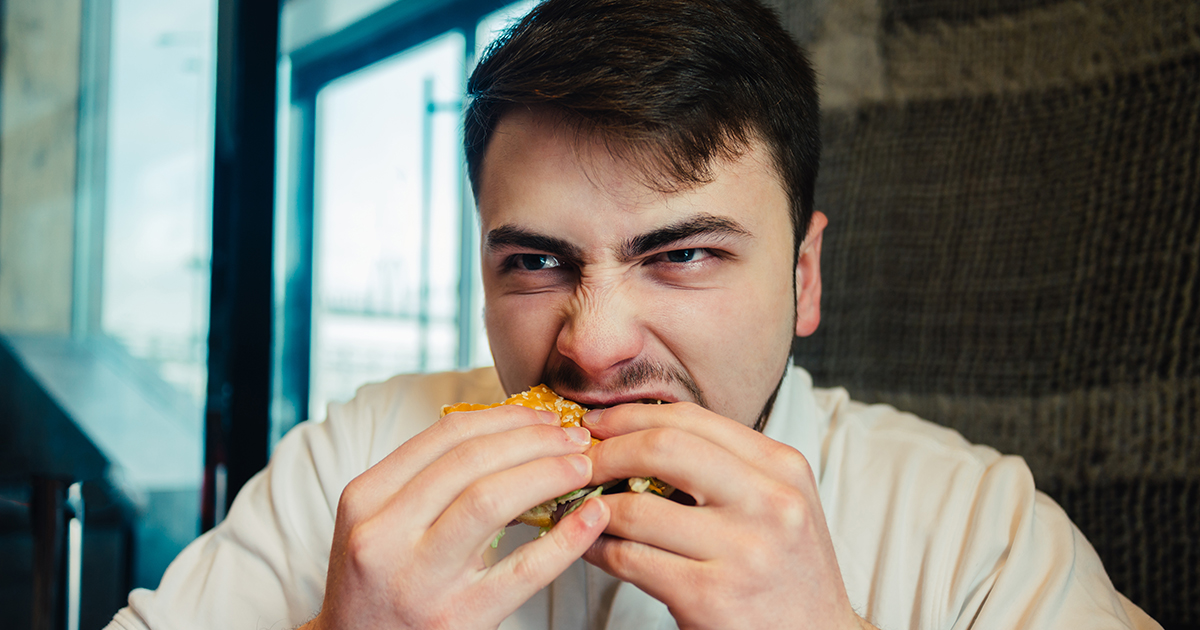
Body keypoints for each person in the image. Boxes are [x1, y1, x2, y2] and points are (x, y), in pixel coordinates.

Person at [106, 0, 1161, 629]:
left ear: (803, 279)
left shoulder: (977, 531)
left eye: (684, 254)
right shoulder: (359, 461)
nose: (594, 343)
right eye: (534, 261)